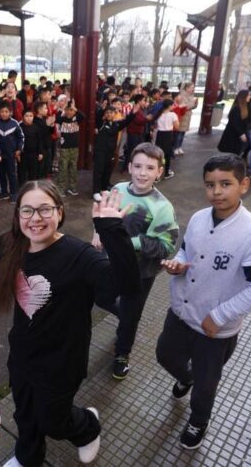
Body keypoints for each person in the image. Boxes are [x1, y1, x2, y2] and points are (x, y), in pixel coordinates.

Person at [0, 182, 140, 467]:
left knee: (54, 422)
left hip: (63, 360)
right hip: (23, 352)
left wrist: (112, 229)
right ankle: (28, 457)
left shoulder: (79, 256)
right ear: (17, 215)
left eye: (45, 209)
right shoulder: (12, 243)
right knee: (25, 412)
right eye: (27, 210)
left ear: (60, 213)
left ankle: (88, 426)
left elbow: (126, 286)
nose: (35, 218)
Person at [158, 154, 251, 449]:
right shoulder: (199, 218)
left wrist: (220, 315)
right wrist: (179, 263)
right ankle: (185, 378)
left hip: (213, 329)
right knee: (165, 355)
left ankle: (198, 420)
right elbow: (187, 250)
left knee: (206, 384)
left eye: (226, 184)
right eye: (210, 185)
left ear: (244, 185)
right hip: (182, 311)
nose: (217, 192)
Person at [95, 143, 178, 380]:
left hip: (140, 273)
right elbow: (102, 214)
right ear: (129, 167)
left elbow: (167, 246)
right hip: (110, 264)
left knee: (131, 317)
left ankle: (122, 353)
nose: (143, 173)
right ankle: (126, 315)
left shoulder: (162, 207)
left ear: (159, 172)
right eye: (138, 166)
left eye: (150, 168)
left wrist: (132, 243)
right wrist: (97, 231)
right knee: (101, 297)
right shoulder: (118, 189)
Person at [0, 105, 24, 202]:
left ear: (10, 112)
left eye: (6, 111)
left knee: (12, 174)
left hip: (11, 154)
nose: (4, 114)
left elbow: (21, 137)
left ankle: (14, 193)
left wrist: (19, 149)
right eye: (2, 111)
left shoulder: (14, 123)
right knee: (1, 173)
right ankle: (4, 192)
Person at [55, 103, 85, 196]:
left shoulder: (77, 118)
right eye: (67, 110)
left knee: (73, 168)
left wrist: (75, 108)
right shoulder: (62, 119)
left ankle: (72, 188)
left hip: (75, 148)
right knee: (62, 168)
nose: (69, 112)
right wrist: (63, 109)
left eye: (71, 110)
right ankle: (61, 188)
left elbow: (83, 116)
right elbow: (57, 117)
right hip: (64, 148)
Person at [152, 99, 179, 180]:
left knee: (158, 155)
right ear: (170, 106)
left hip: (159, 135)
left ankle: (156, 176)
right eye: (173, 105)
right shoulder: (172, 115)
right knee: (167, 155)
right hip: (168, 135)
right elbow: (177, 127)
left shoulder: (158, 114)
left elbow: (155, 126)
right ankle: (166, 173)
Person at [217, 90, 250, 156]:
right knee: (231, 155)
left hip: (236, 137)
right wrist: (241, 134)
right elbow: (235, 123)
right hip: (232, 137)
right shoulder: (237, 108)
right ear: (244, 97)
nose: (250, 97)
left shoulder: (244, 107)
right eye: (249, 95)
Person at [173, 82, 198, 156]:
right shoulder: (181, 96)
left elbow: (191, 107)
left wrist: (195, 104)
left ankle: (179, 146)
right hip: (182, 116)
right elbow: (184, 106)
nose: (193, 89)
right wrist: (192, 102)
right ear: (186, 88)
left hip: (187, 116)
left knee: (183, 133)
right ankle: (175, 147)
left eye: (193, 87)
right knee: (179, 133)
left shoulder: (191, 96)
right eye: (191, 87)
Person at [20, 110, 44, 182]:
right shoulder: (20, 127)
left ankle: (32, 187)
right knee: (22, 172)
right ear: (23, 117)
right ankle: (22, 187)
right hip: (22, 154)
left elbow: (39, 140)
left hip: (33, 153)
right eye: (26, 116)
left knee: (33, 172)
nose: (29, 118)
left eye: (31, 116)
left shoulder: (36, 127)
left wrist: (40, 152)